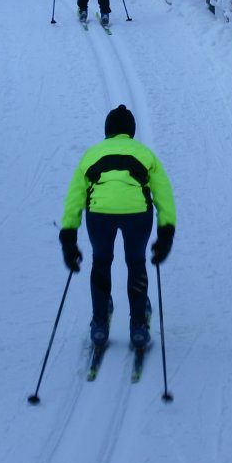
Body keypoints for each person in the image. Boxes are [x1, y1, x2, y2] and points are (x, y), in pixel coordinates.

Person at [59, 105, 176, 349]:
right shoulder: (145, 154)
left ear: (107, 130)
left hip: (100, 214)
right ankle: (139, 327)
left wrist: (69, 236)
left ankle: (99, 325)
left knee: (101, 261)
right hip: (137, 214)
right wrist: (166, 233)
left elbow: (75, 196)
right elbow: (163, 193)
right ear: (131, 131)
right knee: (136, 262)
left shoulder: (92, 154)